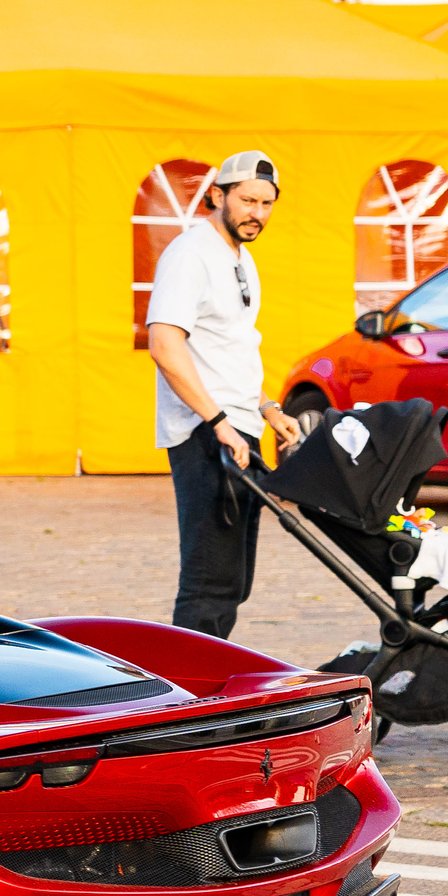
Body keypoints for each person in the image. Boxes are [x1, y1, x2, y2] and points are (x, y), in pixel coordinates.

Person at [144, 149, 304, 638]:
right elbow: (164, 345)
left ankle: (211, 674)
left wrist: (267, 407)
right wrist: (217, 422)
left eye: (266, 203)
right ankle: (185, 680)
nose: (257, 212)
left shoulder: (241, 258)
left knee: (233, 580)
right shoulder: (190, 255)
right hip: (205, 432)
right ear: (218, 195)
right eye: (247, 200)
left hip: (239, 427)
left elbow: (228, 348)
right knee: (208, 581)